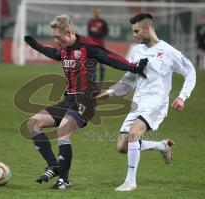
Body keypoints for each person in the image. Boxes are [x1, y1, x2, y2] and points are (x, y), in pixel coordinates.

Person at [24, 15, 148, 190]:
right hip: (68, 100)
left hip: (86, 101)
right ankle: (53, 165)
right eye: (54, 37)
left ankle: (64, 181)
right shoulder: (64, 49)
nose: (55, 40)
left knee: (62, 132)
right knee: (33, 123)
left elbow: (109, 57)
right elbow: (52, 53)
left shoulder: (86, 47)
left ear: (69, 32)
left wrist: (133, 67)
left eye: (58, 37)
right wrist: (35, 45)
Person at [96, 13, 196, 191]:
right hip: (138, 102)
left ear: (147, 28)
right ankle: (161, 145)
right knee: (122, 146)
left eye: (136, 31)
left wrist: (182, 96)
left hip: (156, 102)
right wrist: (111, 93)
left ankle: (130, 182)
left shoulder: (169, 51)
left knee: (134, 133)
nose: (134, 35)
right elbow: (130, 78)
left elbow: (190, 71)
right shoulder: (137, 51)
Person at [88, 7, 108, 82]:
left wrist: (98, 33)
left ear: (100, 13)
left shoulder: (103, 22)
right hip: (92, 46)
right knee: (92, 64)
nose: (97, 14)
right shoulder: (90, 22)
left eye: (98, 12)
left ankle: (101, 81)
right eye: (95, 12)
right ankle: (93, 81)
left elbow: (106, 33)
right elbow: (89, 33)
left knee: (102, 64)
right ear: (94, 13)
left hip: (100, 46)